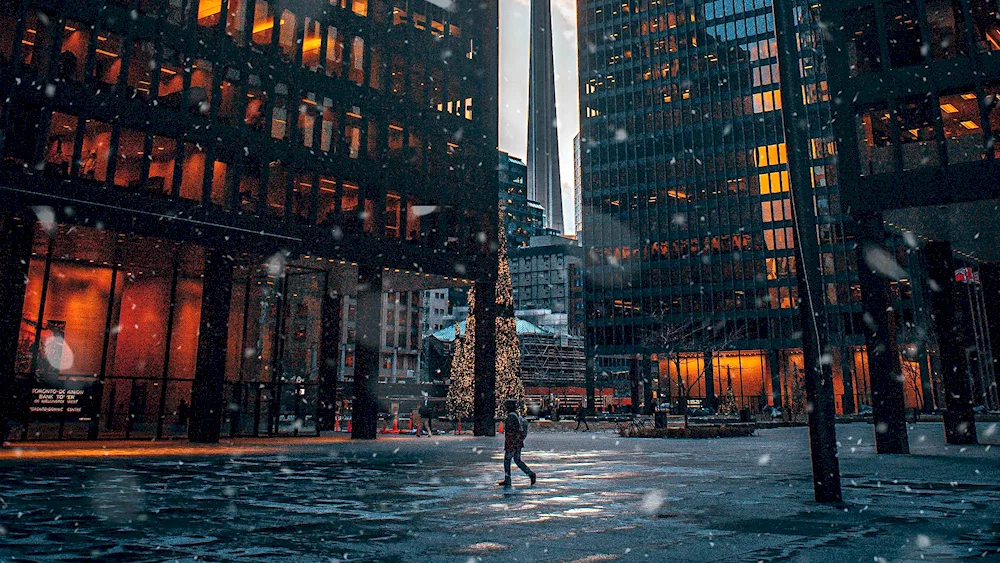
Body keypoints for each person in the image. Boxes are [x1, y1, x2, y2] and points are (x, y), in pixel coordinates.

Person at [498, 400, 536, 488]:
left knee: (507, 460)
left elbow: (510, 432)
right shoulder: (516, 416)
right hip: (517, 442)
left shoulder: (511, 417)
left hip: (512, 442)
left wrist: (509, 443)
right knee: (517, 460)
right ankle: (530, 474)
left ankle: (508, 479)